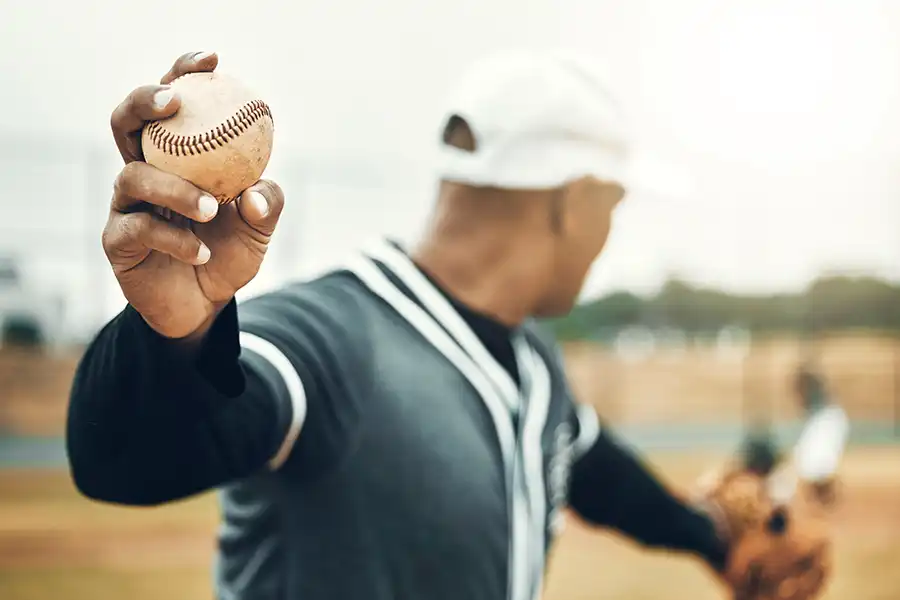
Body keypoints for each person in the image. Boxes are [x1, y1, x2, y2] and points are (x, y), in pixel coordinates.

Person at [67, 50, 828, 600]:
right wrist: (173, 332)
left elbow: (586, 462)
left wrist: (712, 541)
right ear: (571, 204)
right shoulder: (332, 333)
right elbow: (128, 460)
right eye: (612, 210)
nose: (610, 236)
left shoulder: (531, 360)